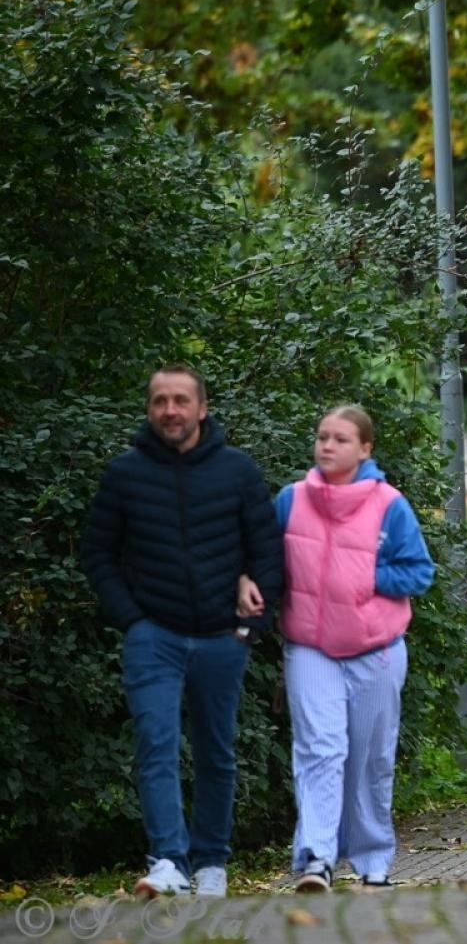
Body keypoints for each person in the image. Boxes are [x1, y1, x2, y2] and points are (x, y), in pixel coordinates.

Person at [79, 365, 284, 899]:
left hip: (223, 638)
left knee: (216, 753)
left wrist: (251, 625)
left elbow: (267, 551)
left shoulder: (237, 471)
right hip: (155, 638)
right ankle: (168, 858)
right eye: (160, 401)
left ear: (202, 407)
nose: (170, 410)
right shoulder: (124, 474)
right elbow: (97, 553)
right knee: (156, 744)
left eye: (181, 400)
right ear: (149, 410)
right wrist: (133, 620)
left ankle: (212, 861)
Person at [239, 406, 434, 893]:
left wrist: (364, 577)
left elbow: (419, 572)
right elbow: (263, 559)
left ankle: (372, 860)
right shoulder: (291, 500)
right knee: (320, 750)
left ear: (365, 449)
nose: (327, 446)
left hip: (376, 648)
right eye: (322, 437)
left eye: (340, 439)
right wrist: (248, 580)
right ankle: (316, 859)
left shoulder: (390, 505)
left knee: (370, 757)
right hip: (310, 647)